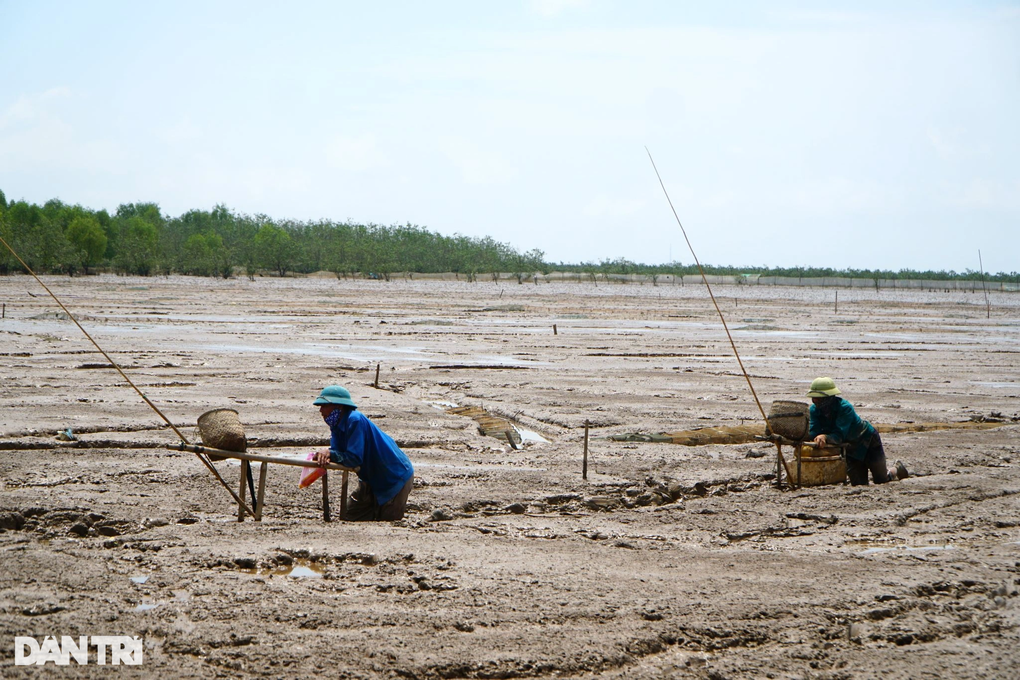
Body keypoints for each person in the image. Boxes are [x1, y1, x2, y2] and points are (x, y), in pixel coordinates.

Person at [313, 385, 414, 521]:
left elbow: (354, 459)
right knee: (350, 516)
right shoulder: (336, 425)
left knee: (387, 521)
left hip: (394, 477)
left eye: (325, 406)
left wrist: (331, 454)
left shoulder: (355, 420)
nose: (321, 410)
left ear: (339, 407)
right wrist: (328, 453)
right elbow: (338, 453)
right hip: (370, 477)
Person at [806, 377, 908, 486]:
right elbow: (813, 431)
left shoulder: (845, 408)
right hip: (850, 448)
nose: (815, 400)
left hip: (868, 440)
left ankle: (896, 468)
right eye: (814, 398)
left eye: (819, 398)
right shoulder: (814, 410)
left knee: (881, 479)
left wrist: (825, 437)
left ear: (829, 398)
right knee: (859, 484)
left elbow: (838, 436)